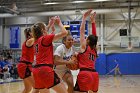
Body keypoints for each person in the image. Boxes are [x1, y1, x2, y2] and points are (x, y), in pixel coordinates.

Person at [31, 16, 76, 93]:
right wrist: (59, 22)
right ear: (43, 30)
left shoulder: (36, 42)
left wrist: (49, 24)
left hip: (36, 71)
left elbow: (43, 32)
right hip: (45, 70)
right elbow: (65, 33)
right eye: (45, 28)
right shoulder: (45, 39)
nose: (47, 29)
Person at [74, 9, 99, 93]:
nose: (85, 38)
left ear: (87, 41)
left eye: (86, 37)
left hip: (85, 73)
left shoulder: (84, 47)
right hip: (94, 75)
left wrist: (84, 17)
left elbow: (81, 31)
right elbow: (95, 37)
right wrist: (93, 22)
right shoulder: (95, 49)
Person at [17, 28, 39, 93]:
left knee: (28, 89)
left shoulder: (31, 42)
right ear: (29, 33)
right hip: (24, 66)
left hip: (26, 65)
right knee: (37, 87)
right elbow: (40, 37)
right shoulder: (30, 41)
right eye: (33, 32)